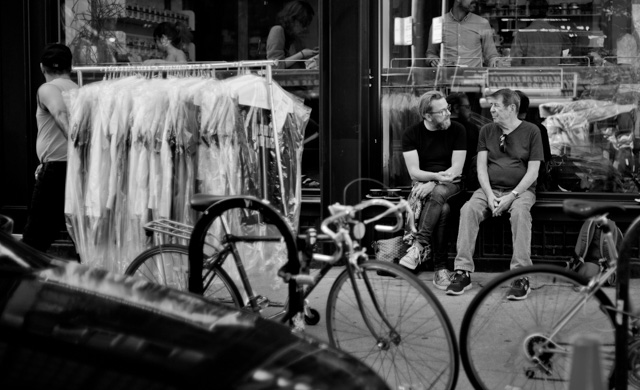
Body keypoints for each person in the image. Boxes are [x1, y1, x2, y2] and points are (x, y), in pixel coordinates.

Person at [446, 88, 544, 299]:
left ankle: (521, 275)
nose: (491, 110)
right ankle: (462, 271)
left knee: (520, 214)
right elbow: (481, 168)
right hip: (490, 188)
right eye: (491, 105)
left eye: (496, 105)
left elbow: (533, 171)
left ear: (511, 108)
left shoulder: (532, 131)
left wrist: (511, 196)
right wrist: (490, 195)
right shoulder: (487, 131)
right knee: (468, 209)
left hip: (521, 190)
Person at [400, 91, 467, 290]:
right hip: (425, 186)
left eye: (448, 108)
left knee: (438, 194)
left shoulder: (458, 130)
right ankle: (440, 269)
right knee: (442, 209)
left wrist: (433, 182)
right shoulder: (411, 134)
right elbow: (414, 172)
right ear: (428, 116)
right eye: (442, 111)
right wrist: (435, 178)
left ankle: (418, 246)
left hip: (453, 185)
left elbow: (457, 170)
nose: (448, 113)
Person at [22, 43, 79, 253]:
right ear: (70, 67)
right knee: (78, 235)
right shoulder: (79, 91)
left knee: (33, 240)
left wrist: (76, 148)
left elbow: (60, 114)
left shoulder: (48, 88)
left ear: (41, 67)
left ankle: (24, 282)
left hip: (57, 170)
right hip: (77, 170)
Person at [426, 0, 500, 68]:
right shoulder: (438, 23)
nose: (475, 0)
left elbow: (491, 55)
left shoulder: (482, 23)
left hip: (474, 79)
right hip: (448, 79)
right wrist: (433, 60)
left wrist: (494, 62)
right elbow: (431, 53)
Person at [510, 0, 571, 67]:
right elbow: (566, 58)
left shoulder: (521, 34)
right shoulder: (560, 33)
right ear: (547, 12)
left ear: (530, 12)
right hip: (554, 75)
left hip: (530, 76)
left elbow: (515, 62)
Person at [514, 90, 552, 191]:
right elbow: (547, 160)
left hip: (508, 187)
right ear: (527, 108)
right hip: (535, 186)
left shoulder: (502, 130)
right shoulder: (539, 129)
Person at [266, 1, 319, 69]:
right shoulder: (277, 30)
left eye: (307, 24)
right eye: (303, 23)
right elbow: (275, 65)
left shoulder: (293, 37)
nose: (304, 28)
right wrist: (302, 54)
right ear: (292, 19)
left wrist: (311, 53)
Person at [447, 92, 480, 190]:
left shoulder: (438, 128)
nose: (470, 111)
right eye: (467, 107)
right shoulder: (470, 129)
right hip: (466, 181)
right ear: (456, 108)